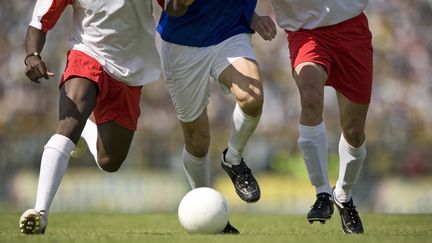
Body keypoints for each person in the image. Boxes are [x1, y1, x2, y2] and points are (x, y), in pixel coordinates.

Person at [19, 0, 166, 234]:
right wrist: (32, 55)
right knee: (68, 124)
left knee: (110, 161)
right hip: (88, 54)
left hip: (130, 70)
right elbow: (39, 21)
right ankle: (40, 213)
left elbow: (176, 7)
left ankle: (84, 129)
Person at [157, 0, 276, 234]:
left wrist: (252, 17)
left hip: (229, 32)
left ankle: (233, 158)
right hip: (183, 41)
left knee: (252, 98)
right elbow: (172, 7)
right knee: (198, 141)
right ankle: (205, 209)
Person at [271, 0, 372, 234]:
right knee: (310, 96)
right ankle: (322, 192)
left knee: (355, 132)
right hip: (306, 33)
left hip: (352, 29)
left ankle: (343, 196)